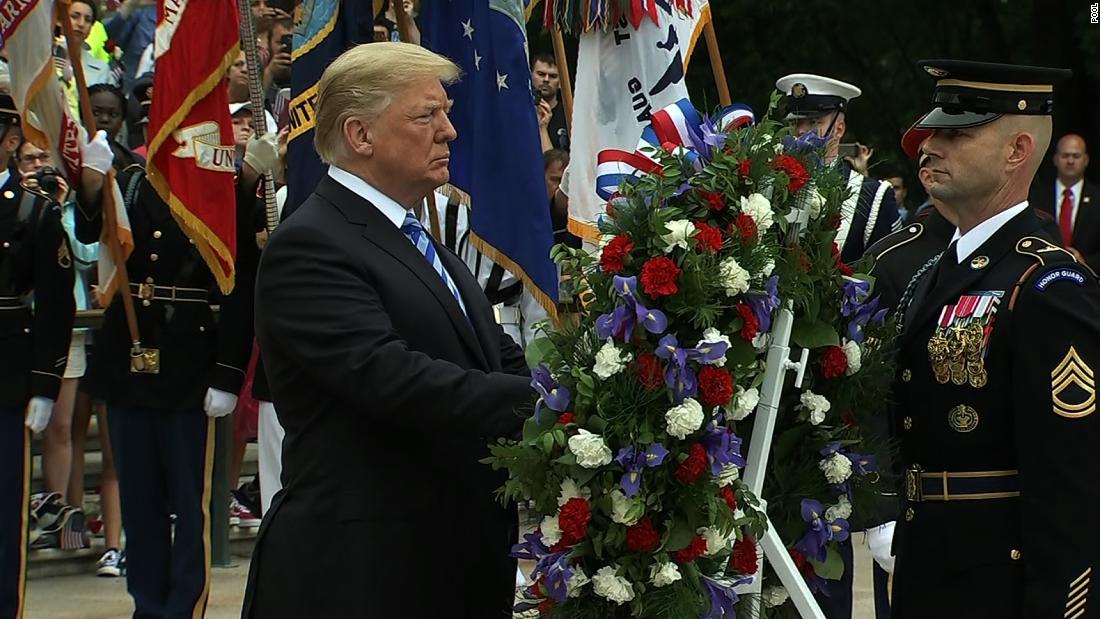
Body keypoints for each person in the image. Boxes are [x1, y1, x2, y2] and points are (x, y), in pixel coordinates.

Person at [242, 42, 533, 618]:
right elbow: (391, 378)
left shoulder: (427, 247)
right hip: (359, 577)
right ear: (360, 135)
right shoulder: (311, 244)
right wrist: (548, 405)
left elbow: (497, 356)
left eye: (445, 113)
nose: (449, 131)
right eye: (427, 115)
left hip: (446, 569)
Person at [889, 59, 1100, 618]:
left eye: (956, 133)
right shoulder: (934, 271)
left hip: (998, 592)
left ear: (1016, 151)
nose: (928, 145)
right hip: (928, 576)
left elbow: (1072, 487)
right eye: (931, 131)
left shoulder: (1047, 284)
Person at [73, 104, 274, 616]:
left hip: (192, 364)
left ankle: (184, 605)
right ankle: (147, 602)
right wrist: (93, 185)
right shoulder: (135, 184)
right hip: (130, 358)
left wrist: (229, 372)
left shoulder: (221, 194)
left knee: (190, 503)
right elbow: (91, 228)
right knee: (140, 502)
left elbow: (238, 286)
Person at [0, 93, 78, 619]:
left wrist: (45, 385)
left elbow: (54, 306)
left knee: (4, 517)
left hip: (5, 379)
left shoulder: (31, 211)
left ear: (9, 142)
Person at [775, 73, 900, 264]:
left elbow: (889, 277)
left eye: (813, 122)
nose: (800, 131)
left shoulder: (873, 196)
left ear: (839, 129)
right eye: (795, 122)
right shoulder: (772, 184)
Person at [1030, 134, 1098, 272]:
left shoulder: (1097, 198)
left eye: (1076, 156)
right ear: (1055, 159)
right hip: (1043, 272)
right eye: (1065, 155)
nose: (1070, 161)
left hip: (1089, 277)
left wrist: (1085, 262)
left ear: (1086, 160)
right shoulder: (1036, 196)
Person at [532, 53, 568, 152]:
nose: (546, 80)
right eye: (541, 74)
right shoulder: (518, 112)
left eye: (553, 76)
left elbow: (554, 165)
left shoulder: (569, 115)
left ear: (560, 82)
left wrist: (542, 128)